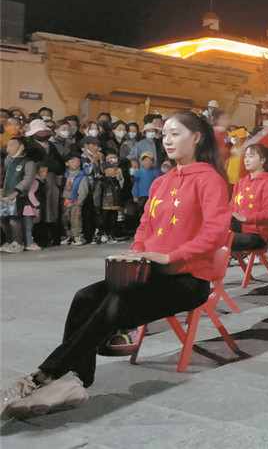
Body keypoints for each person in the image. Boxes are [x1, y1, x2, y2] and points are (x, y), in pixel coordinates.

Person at [0, 111, 230, 420]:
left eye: (175, 133)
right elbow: (145, 226)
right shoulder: (162, 182)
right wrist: (136, 252)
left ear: (197, 138)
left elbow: (216, 233)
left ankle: (42, 377)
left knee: (116, 303)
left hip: (188, 279)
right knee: (85, 296)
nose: (167, 140)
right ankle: (77, 381)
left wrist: (171, 256)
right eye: (165, 134)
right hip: (150, 273)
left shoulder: (209, 180)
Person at [230, 144, 268, 252]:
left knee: (218, 240)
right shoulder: (240, 183)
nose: (246, 160)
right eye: (245, 156)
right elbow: (231, 206)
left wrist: (246, 218)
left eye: (251, 156)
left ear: (263, 160)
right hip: (237, 229)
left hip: (257, 235)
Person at [1, 136, 35, 253]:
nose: (9, 148)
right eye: (8, 146)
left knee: (14, 219)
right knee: (3, 219)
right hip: (5, 196)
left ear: (21, 147)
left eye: (12, 145)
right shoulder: (6, 161)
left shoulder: (28, 162)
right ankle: (9, 241)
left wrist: (17, 191)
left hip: (18, 196)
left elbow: (28, 179)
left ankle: (18, 242)